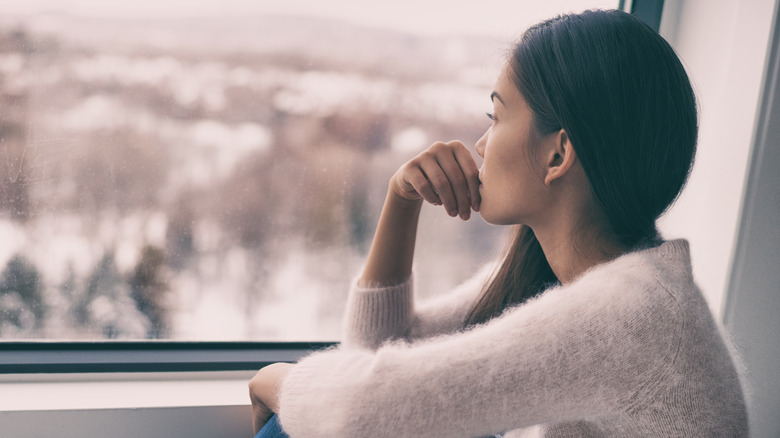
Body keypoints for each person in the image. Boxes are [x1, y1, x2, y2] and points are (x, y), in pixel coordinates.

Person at [248, 9, 748, 437]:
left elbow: (357, 413)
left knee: (296, 424)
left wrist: (276, 381)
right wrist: (401, 202)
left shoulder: (630, 314)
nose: (482, 145)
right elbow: (379, 352)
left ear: (558, 154)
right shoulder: (567, 271)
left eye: (496, 117)